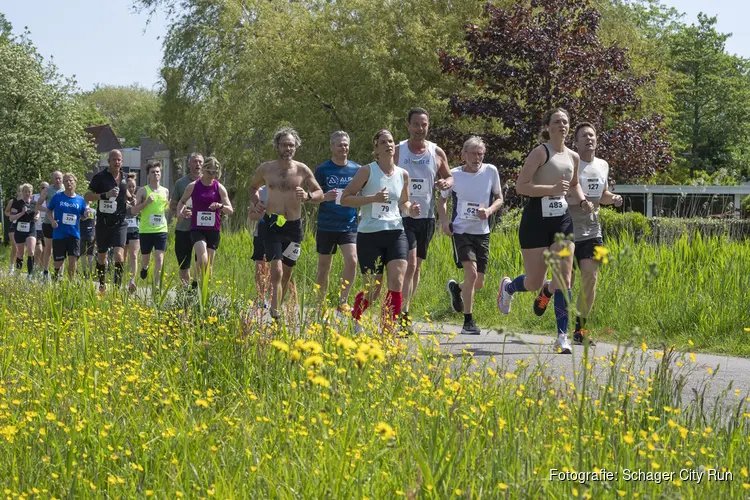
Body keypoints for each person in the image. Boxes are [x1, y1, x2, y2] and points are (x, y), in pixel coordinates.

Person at [496, 108, 593, 354]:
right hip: (536, 220)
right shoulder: (541, 152)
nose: (562, 125)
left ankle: (562, 336)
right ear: (548, 126)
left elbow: (574, 185)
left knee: (564, 278)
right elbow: (521, 187)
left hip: (561, 220)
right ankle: (509, 288)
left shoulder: (573, 157)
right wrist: (550, 187)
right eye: (557, 121)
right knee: (534, 281)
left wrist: (582, 201)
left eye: (566, 122)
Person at [534, 122, 623, 345]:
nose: (588, 139)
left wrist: (612, 198)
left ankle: (580, 330)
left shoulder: (603, 165)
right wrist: (578, 201)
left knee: (591, 278)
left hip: (594, 231)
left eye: (592, 135)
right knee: (565, 282)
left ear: (597, 140)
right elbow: (559, 194)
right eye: (584, 136)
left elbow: (602, 194)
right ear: (576, 141)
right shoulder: (570, 162)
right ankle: (547, 289)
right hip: (567, 230)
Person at [341, 129, 421, 335]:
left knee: (397, 280)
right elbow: (346, 198)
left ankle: (388, 329)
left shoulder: (403, 174)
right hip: (370, 235)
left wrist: (410, 209)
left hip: (395, 232)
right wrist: (371, 199)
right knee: (373, 290)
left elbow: (403, 202)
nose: (389, 145)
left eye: (391, 141)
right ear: (376, 148)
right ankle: (355, 317)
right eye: (383, 142)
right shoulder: (367, 171)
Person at [249, 127, 323, 320]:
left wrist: (307, 196)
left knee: (287, 272)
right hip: (272, 224)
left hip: (293, 227)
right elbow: (252, 187)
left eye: (291, 145)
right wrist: (256, 203)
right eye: (284, 145)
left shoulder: (302, 169)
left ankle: (277, 305)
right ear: (277, 146)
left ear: (296, 146)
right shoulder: (266, 168)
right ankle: (275, 314)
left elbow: (319, 193)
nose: (288, 148)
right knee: (277, 270)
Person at [394, 107, 453, 331]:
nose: (420, 129)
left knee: (416, 266)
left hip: (426, 216)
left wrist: (446, 183)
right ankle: (399, 311)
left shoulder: (436, 152)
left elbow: (448, 176)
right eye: (416, 124)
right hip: (402, 215)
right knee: (409, 262)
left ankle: (405, 309)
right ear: (408, 125)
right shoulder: (398, 150)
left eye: (424, 124)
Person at [439, 137, 504, 335]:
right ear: (464, 154)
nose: (477, 158)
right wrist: (444, 222)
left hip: (482, 232)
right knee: (472, 274)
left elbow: (499, 198)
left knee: (479, 283)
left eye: (481, 154)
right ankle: (468, 322)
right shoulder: (455, 175)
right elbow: (441, 202)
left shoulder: (491, 171)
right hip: (461, 231)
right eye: (473, 153)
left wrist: (490, 211)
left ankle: (457, 289)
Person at [309, 131, 360, 311]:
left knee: (352, 260)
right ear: (332, 147)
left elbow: (362, 194)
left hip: (349, 224)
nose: (343, 148)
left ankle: (343, 301)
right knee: (324, 266)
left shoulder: (357, 169)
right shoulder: (323, 169)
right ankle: (319, 304)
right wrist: (325, 197)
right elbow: (311, 197)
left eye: (346, 144)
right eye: (339, 145)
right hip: (327, 224)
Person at [177, 156, 233, 284]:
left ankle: (202, 293)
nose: (211, 175)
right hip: (197, 228)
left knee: (209, 268)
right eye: (209, 172)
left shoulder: (219, 187)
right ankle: (195, 284)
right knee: (203, 259)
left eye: (214, 172)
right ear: (203, 169)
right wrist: (180, 212)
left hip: (213, 229)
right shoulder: (193, 186)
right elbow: (182, 201)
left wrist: (220, 206)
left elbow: (230, 209)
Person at [84, 149, 129, 293]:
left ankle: (117, 288)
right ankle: (102, 286)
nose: (117, 162)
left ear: (122, 161)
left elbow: (125, 192)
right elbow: (87, 196)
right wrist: (105, 195)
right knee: (102, 256)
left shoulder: (125, 177)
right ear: (108, 161)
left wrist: (130, 197)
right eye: (114, 159)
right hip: (103, 222)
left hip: (120, 221)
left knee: (119, 254)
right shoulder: (99, 177)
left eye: (119, 160)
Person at [131, 161, 170, 288]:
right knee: (145, 258)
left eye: (158, 172)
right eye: (153, 172)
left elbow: (165, 208)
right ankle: (144, 268)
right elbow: (134, 211)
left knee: (159, 258)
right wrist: (146, 203)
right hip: (146, 230)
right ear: (148, 174)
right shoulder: (143, 190)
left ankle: (157, 285)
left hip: (161, 229)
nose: (156, 174)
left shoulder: (165, 191)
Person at [171, 153, 203, 287]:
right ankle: (185, 292)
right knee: (184, 264)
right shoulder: (181, 183)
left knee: (201, 262)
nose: (198, 165)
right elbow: (173, 205)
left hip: (202, 230)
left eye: (201, 162)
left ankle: (197, 290)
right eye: (195, 162)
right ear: (189, 164)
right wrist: (180, 212)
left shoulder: (209, 183)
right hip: (183, 228)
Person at [47, 173, 88, 279]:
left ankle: (70, 284)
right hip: (59, 234)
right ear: (63, 183)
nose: (68, 183)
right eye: (66, 181)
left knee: (72, 261)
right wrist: (52, 220)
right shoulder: (57, 197)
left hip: (74, 234)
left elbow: (84, 215)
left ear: (75, 182)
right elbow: (49, 210)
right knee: (58, 262)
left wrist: (86, 214)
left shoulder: (80, 199)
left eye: (71, 181)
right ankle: (56, 280)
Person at [36, 171, 64, 281]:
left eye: (60, 178)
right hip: (48, 222)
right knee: (49, 248)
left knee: (61, 248)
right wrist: (48, 210)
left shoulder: (65, 189)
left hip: (62, 223)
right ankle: (45, 271)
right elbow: (38, 205)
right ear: (52, 179)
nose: (58, 180)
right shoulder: (47, 190)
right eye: (56, 178)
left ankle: (60, 273)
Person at [10, 184, 39, 278]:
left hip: (31, 228)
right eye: (25, 191)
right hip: (20, 229)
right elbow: (11, 218)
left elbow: (37, 212)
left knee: (31, 251)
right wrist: (21, 213)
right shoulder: (17, 203)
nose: (27, 193)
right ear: (22, 192)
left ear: (31, 193)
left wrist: (36, 217)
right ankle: (17, 273)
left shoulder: (34, 203)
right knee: (20, 253)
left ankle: (30, 275)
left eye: (29, 191)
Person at [248, 186, 269, 308]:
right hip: (261, 232)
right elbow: (251, 215)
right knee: (260, 265)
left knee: (276, 266)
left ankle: (275, 296)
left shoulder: (284, 189)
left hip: (280, 233)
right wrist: (265, 214)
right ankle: (262, 297)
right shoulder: (260, 191)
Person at [124, 173, 141, 292]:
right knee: (122, 256)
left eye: (133, 186)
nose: (131, 188)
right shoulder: (120, 198)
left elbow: (142, 213)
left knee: (134, 255)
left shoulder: (138, 199)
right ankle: (122, 278)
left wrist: (137, 206)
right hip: (122, 230)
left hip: (134, 229)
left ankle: (132, 280)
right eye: (129, 186)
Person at [33, 181, 48, 269]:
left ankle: (42, 270)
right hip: (36, 227)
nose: (44, 189)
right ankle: (35, 266)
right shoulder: (35, 197)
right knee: (39, 249)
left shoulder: (50, 197)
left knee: (46, 251)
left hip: (47, 226)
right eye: (42, 187)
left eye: (46, 188)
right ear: (40, 188)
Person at [79, 202, 96, 277]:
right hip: (84, 234)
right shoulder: (80, 210)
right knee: (85, 254)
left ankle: (88, 272)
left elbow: (95, 222)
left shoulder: (93, 211)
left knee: (88, 254)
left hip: (89, 234)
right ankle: (86, 272)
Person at [5, 188, 20, 275]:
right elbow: (6, 212)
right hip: (12, 225)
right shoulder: (12, 201)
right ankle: (11, 267)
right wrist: (11, 215)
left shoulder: (27, 201)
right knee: (15, 246)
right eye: (19, 191)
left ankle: (19, 267)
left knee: (21, 248)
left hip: (23, 226)